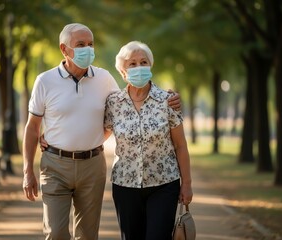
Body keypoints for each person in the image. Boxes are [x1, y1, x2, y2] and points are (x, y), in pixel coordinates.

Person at [23, 23, 181, 240]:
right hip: (55, 165)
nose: (87, 49)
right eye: (80, 44)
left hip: (92, 165)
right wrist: (27, 171)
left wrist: (168, 97)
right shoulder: (45, 81)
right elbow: (32, 128)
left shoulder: (104, 79)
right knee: (56, 233)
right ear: (64, 49)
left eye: (90, 44)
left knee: (87, 235)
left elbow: (127, 107)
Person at [103, 41, 193, 240]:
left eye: (143, 62)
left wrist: (186, 183)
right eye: (132, 64)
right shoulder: (113, 103)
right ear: (123, 71)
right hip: (125, 185)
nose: (139, 67)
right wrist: (54, 139)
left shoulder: (167, 101)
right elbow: (99, 135)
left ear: (150, 66)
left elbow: (180, 145)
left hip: (164, 184)